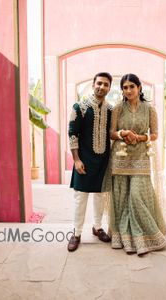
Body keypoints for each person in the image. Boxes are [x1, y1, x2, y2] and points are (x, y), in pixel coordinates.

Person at [108, 73, 166, 255]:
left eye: (131, 87)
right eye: (125, 88)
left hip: (141, 156)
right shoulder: (118, 108)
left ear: (139, 88)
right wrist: (123, 133)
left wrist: (139, 137)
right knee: (121, 197)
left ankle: (146, 237)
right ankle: (124, 238)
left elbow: (155, 134)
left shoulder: (149, 109)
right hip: (120, 157)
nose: (128, 91)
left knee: (136, 195)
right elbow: (111, 133)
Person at [67, 72, 113, 252]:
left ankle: (97, 227)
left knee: (100, 196)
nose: (102, 87)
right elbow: (72, 134)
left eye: (106, 84)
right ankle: (76, 233)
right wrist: (76, 159)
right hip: (84, 161)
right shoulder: (80, 107)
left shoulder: (110, 109)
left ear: (109, 88)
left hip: (103, 161)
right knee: (80, 198)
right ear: (93, 84)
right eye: (99, 83)